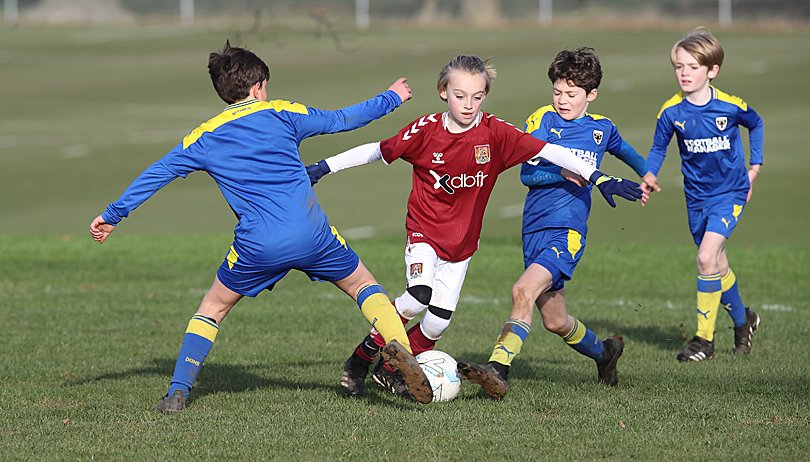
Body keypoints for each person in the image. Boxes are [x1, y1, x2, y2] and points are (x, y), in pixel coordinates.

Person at [88, 41, 435, 412]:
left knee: (213, 308)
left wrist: (113, 214)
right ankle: (399, 350)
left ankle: (178, 391)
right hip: (312, 234)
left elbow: (157, 174)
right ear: (257, 88)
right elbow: (342, 119)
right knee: (365, 286)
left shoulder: (204, 136)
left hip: (258, 245)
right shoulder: (282, 114)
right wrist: (391, 97)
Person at [305, 54, 642, 399]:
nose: (468, 105)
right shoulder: (426, 131)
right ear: (443, 92)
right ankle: (358, 362)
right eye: (460, 95)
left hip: (462, 245)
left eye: (477, 97)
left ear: (485, 95)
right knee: (418, 295)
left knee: (437, 322)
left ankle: (390, 369)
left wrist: (600, 178)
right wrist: (323, 167)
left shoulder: (495, 133)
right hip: (424, 232)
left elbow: (553, 152)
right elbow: (376, 150)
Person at [457, 47, 647, 399]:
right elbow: (527, 173)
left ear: (591, 95)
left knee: (522, 291)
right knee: (555, 321)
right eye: (557, 92)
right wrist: (561, 170)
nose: (562, 100)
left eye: (571, 94)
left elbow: (625, 151)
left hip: (567, 231)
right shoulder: (543, 119)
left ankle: (497, 370)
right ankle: (605, 353)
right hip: (534, 230)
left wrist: (647, 174)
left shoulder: (602, 129)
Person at [640, 27, 763, 362]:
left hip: (731, 193)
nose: (684, 73)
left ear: (712, 71)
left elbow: (757, 123)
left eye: (693, 67)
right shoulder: (671, 111)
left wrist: (754, 168)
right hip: (696, 199)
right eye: (679, 66)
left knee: (706, 258)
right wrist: (649, 174)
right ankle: (743, 322)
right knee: (717, 265)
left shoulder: (729, 105)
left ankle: (703, 342)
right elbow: (658, 148)